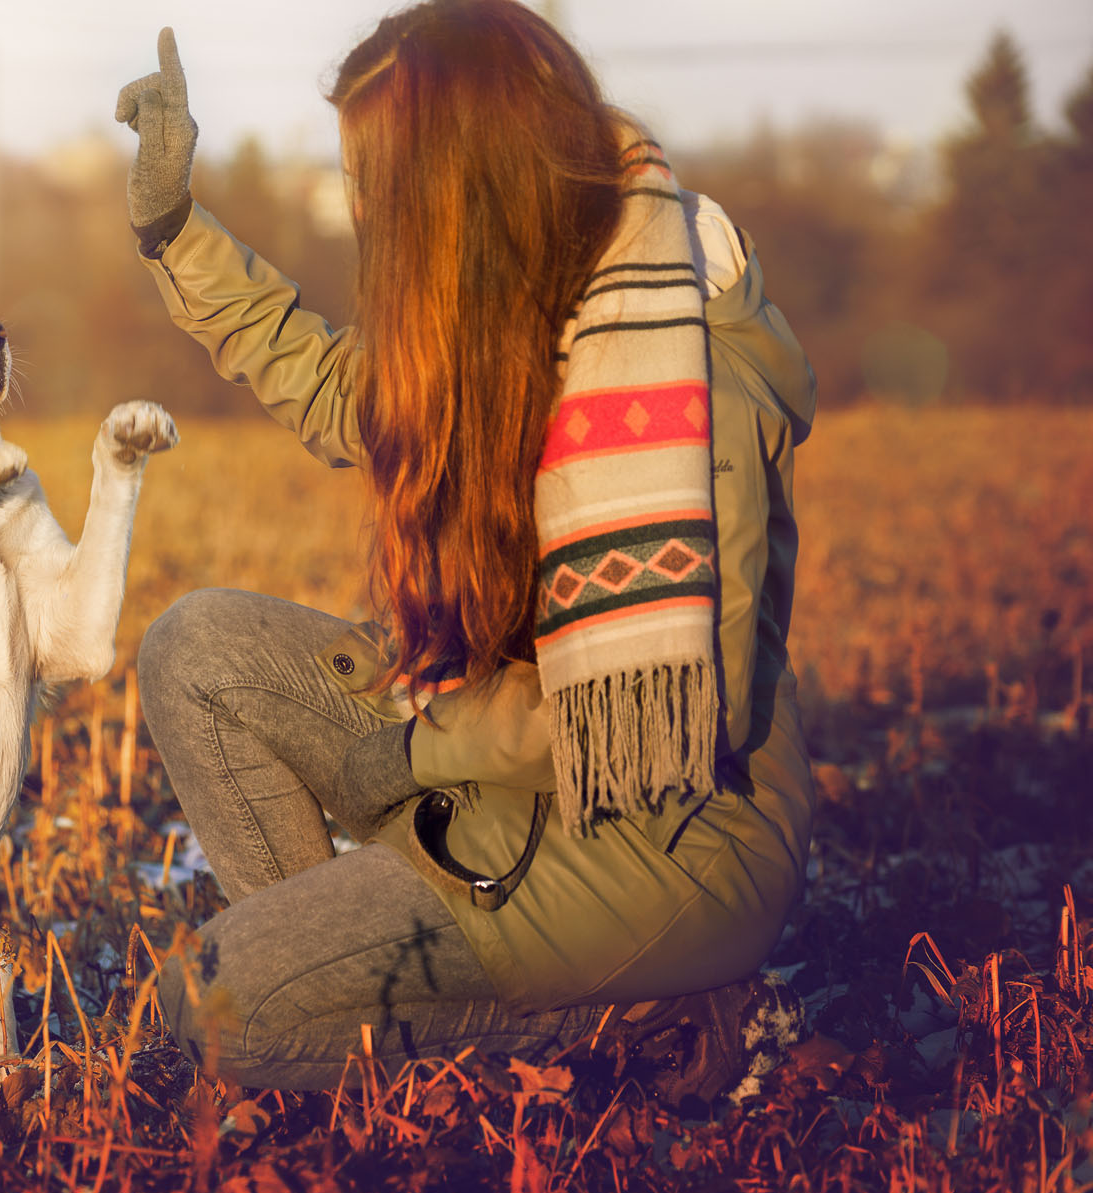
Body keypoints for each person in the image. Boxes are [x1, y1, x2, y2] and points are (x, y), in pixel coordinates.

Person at [114, 0, 816, 1104]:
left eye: (376, 178)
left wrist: (419, 749)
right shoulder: (508, 310)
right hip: (495, 768)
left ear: (462, 177)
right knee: (200, 648)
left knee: (211, 1008)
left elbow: (674, 712)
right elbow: (342, 389)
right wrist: (174, 229)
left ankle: (626, 1023)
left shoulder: (676, 378)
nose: (358, 208)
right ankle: (365, 974)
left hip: (654, 841)